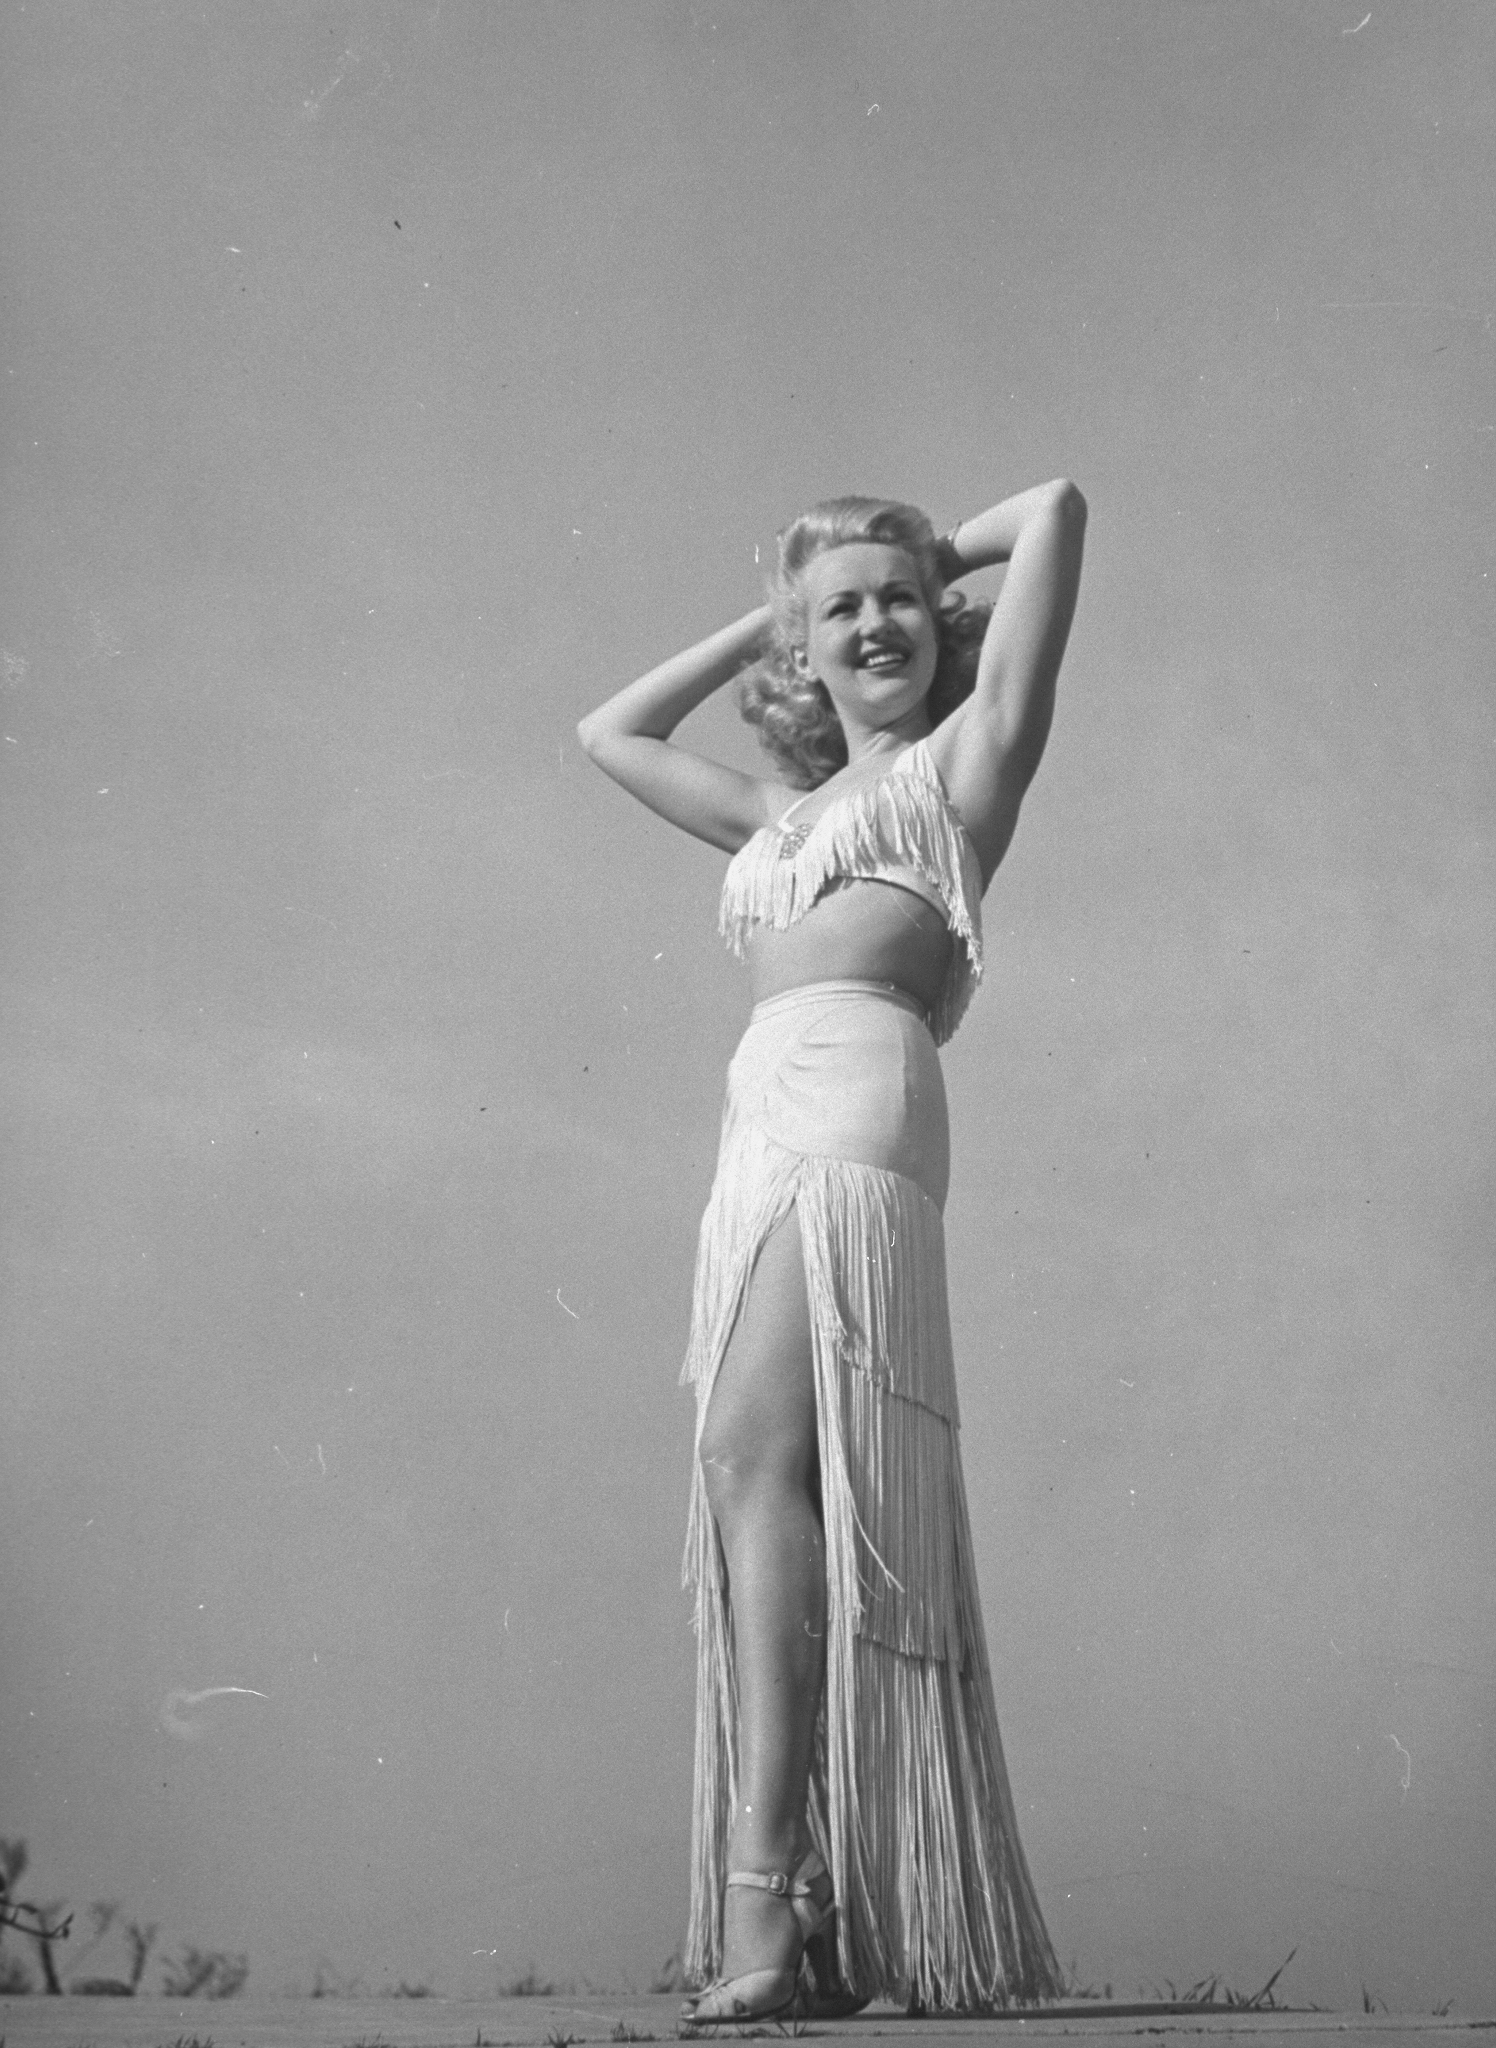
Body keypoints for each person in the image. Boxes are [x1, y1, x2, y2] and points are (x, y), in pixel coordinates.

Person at [577, 481, 1086, 2019]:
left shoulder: (967, 760)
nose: (877, 625)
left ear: (944, 620)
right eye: (843, 611)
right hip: (758, 1121)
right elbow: (610, 732)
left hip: (863, 1093)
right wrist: (779, 613)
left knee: (755, 1457)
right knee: (753, 1472)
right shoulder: (775, 817)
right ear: (804, 646)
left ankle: (766, 1888)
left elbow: (1054, 509)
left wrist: (915, 555)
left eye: (902, 600)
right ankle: (793, 1889)